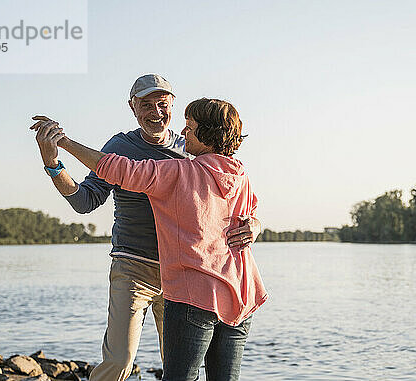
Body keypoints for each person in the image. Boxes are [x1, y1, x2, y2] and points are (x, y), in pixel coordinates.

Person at [31, 75, 259, 381]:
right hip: (134, 266)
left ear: (173, 107)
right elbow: (84, 201)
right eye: (146, 104)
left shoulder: (190, 151)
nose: (156, 112)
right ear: (132, 107)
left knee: (178, 365)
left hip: (185, 275)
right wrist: (54, 164)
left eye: (162, 104)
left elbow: (234, 203)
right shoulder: (120, 146)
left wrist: (254, 225)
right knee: (120, 361)